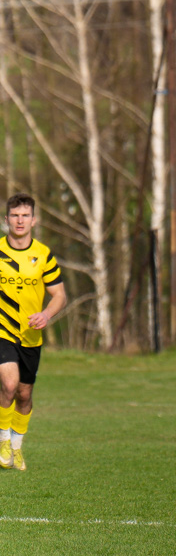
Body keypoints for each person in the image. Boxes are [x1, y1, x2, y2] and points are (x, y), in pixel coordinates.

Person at [0, 193, 66, 470]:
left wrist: (46, 314)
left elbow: (59, 294)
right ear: (6, 220)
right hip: (2, 331)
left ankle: (16, 446)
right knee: (9, 384)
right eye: (15, 215)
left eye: (25, 215)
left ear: (33, 220)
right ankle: (3, 439)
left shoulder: (43, 254)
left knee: (24, 395)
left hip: (30, 336)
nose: (19, 220)